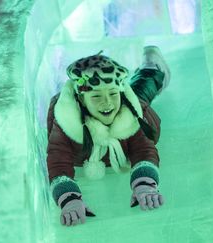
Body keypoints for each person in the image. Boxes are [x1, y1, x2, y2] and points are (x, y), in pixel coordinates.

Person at [46, 46, 171, 226]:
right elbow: (58, 161)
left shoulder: (131, 112)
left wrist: (144, 184)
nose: (107, 103)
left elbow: (143, 149)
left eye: (113, 94)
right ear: (81, 99)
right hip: (79, 109)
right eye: (96, 96)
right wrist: (69, 199)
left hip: (136, 106)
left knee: (143, 88)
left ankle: (151, 68)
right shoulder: (66, 121)